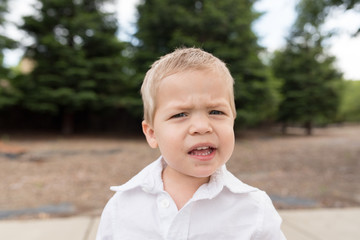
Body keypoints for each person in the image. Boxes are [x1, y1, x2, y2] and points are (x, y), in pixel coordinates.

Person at [96, 47, 286, 239]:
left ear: (232, 120)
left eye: (216, 112)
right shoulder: (122, 206)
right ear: (152, 134)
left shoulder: (254, 210)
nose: (202, 127)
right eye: (180, 114)